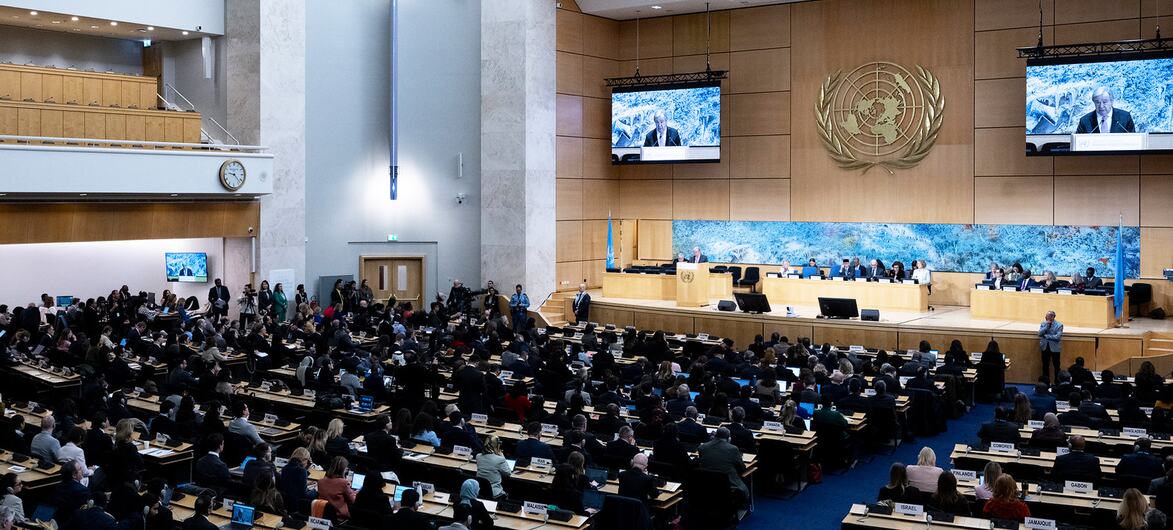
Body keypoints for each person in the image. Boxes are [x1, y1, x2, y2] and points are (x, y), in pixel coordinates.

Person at [696, 427, 749, 506]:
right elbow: (742, 468)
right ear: (729, 438)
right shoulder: (733, 449)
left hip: (707, 483)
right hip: (729, 484)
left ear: (715, 435)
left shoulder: (702, 447)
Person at [277, 447, 315, 515]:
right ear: (305, 459)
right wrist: (314, 491)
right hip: (296, 505)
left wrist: (306, 468)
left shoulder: (285, 468)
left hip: (286, 503)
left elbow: (293, 483)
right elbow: (303, 494)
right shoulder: (301, 471)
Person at [318, 456, 357, 520]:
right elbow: (352, 500)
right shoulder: (344, 483)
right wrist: (354, 493)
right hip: (339, 517)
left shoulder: (320, 482)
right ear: (343, 469)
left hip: (323, 515)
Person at [1039, 311, 1063, 382]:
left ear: (1052, 317)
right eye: (1046, 316)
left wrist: (1046, 336)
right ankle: (1046, 383)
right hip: (1045, 347)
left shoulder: (1059, 325)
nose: (1045, 318)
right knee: (1045, 366)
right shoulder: (1043, 324)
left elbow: (1057, 337)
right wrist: (1046, 326)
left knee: (1057, 367)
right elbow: (1040, 333)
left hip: (1055, 349)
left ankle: (1057, 383)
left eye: (1047, 316)